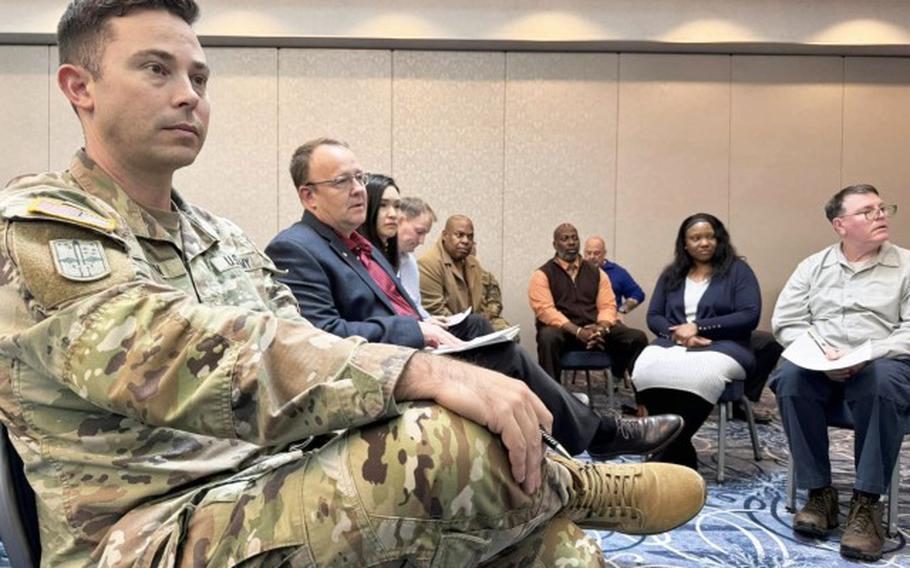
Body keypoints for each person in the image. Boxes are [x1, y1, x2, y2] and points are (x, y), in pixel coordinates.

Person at [0, 2, 707, 565]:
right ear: (80, 87)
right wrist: (412, 370)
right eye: (157, 69)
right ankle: (574, 485)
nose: (188, 96)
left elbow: (299, 338)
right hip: (149, 529)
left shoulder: (217, 235)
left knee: (517, 527)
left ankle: (558, 513)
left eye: (200, 78)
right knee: (444, 444)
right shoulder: (42, 223)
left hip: (272, 478)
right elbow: (178, 356)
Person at [265, 138, 686, 463]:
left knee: (485, 332)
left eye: (359, 177)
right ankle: (597, 435)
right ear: (308, 196)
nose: (359, 190)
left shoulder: (358, 243)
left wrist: (432, 323)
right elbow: (321, 337)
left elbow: (396, 303)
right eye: (342, 182)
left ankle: (570, 439)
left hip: (410, 342)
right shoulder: (296, 248)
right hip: (382, 365)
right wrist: (417, 330)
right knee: (503, 355)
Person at [770, 184, 908, 562]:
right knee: (789, 378)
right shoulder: (813, 267)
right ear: (840, 225)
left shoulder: (906, 266)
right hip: (822, 366)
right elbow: (787, 322)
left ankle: (867, 504)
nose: (881, 215)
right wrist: (820, 356)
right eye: (868, 211)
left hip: (883, 365)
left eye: (883, 209)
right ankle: (820, 494)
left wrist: (867, 354)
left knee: (881, 379)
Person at [631, 213, 761, 471]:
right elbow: (654, 315)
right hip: (674, 343)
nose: (704, 243)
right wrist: (678, 334)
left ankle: (666, 449)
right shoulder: (672, 275)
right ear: (685, 244)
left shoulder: (738, 271)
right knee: (642, 368)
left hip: (725, 345)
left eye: (710, 236)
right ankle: (679, 450)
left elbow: (750, 315)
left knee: (701, 375)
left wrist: (699, 327)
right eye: (696, 238)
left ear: (719, 239)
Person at [530, 224, 649, 383]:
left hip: (595, 332)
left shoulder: (597, 273)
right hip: (564, 333)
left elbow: (607, 306)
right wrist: (578, 331)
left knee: (637, 338)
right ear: (555, 244)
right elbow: (545, 311)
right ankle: (552, 399)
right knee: (547, 336)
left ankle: (631, 393)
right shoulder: (542, 274)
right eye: (565, 239)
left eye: (574, 238)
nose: (571, 242)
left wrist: (601, 328)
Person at [418, 215, 513, 331]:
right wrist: (475, 326)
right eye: (459, 235)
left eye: (470, 236)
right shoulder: (428, 264)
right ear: (445, 235)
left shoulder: (473, 263)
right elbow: (436, 311)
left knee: (508, 337)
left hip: (472, 327)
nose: (465, 241)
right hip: (446, 331)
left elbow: (479, 306)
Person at [583, 235, 646, 316]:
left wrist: (622, 311)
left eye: (596, 253)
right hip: (583, 321)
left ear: (604, 253)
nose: (592, 257)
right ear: (584, 253)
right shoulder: (577, 270)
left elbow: (638, 293)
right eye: (588, 253)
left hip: (611, 321)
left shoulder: (618, 272)